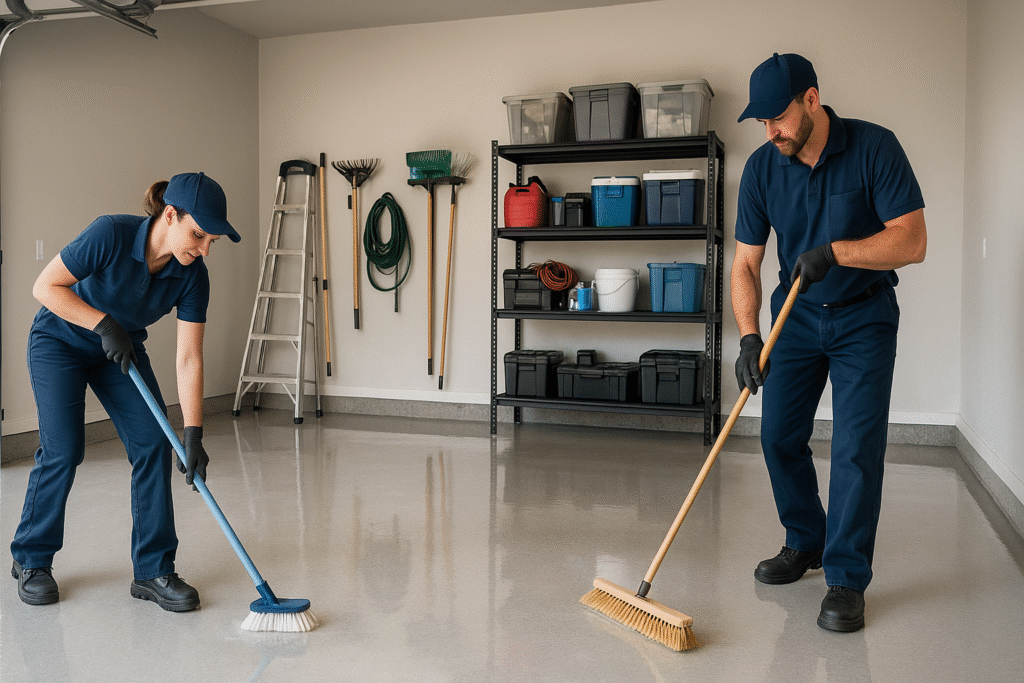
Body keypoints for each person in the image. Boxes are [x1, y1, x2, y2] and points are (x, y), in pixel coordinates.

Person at [732, 53, 927, 632]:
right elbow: (745, 264)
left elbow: (912, 242)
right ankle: (805, 540)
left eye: (779, 118)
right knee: (778, 437)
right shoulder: (763, 168)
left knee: (855, 449)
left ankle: (845, 578)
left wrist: (838, 251)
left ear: (811, 100)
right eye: (762, 123)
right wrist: (748, 337)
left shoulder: (874, 147)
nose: (771, 133)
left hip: (863, 320)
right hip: (794, 321)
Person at [11, 172, 240, 612]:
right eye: (198, 234)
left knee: (154, 443)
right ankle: (31, 559)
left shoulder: (193, 276)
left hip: (119, 352)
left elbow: (189, 357)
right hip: (59, 342)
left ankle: (153, 570)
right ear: (169, 215)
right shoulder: (110, 234)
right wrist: (102, 323)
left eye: (213, 240)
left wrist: (194, 433)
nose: (205, 248)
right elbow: (45, 288)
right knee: (63, 449)